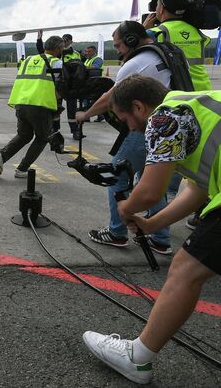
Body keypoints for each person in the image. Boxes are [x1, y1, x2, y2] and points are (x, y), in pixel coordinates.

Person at [82, 75, 220, 384]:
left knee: (186, 270)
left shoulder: (165, 118)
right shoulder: (194, 110)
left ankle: (137, 359)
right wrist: (152, 224)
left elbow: (149, 193)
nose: (129, 127)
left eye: (125, 119)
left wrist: (126, 208)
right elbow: (198, 190)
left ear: (139, 106)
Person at [75, 21, 171, 254]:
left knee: (116, 176)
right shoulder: (164, 53)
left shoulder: (135, 63)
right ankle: (160, 237)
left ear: (130, 40)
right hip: (165, 126)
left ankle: (117, 232)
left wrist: (86, 114)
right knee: (151, 180)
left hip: (146, 129)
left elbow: (112, 98)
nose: (116, 49)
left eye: (118, 44)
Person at [0, 35, 63, 178]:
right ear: (58, 48)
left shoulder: (29, 59)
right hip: (40, 105)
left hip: (21, 103)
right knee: (42, 137)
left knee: (24, 135)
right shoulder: (56, 63)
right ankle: (22, 169)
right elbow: (62, 85)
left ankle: (1, 156)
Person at [144, 0, 212, 91]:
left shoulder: (156, 32)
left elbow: (133, 55)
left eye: (157, 4)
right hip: (203, 90)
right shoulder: (195, 31)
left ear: (161, 9)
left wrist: (143, 30)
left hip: (179, 93)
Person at [82, 45, 105, 121]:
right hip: (90, 82)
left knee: (92, 99)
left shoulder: (98, 59)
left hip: (98, 83)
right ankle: (100, 116)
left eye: (89, 51)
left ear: (94, 52)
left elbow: (95, 67)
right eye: (86, 51)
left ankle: (87, 116)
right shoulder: (87, 60)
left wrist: (81, 67)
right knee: (92, 99)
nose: (87, 53)